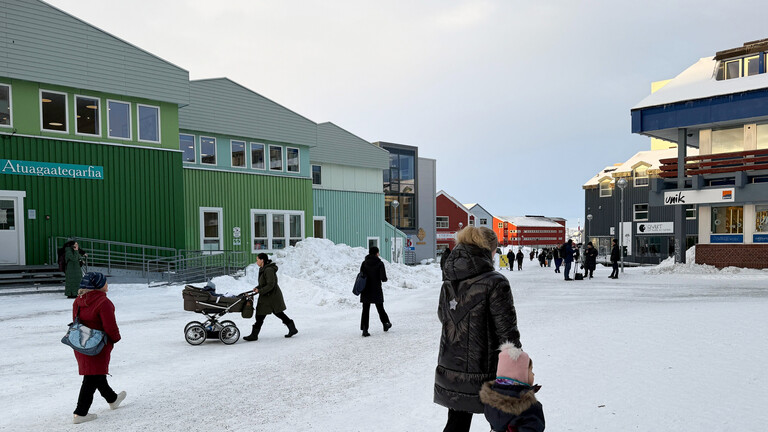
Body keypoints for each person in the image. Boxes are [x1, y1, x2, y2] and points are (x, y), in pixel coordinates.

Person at [435, 226, 522, 432]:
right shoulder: (495, 282)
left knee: (456, 423)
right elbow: (506, 331)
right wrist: (517, 365)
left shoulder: (449, 281)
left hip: (452, 364)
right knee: (501, 422)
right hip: (487, 367)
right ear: (488, 250)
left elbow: (443, 317)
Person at [71, 272, 126, 424]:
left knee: (96, 373)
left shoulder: (78, 301)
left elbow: (76, 322)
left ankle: (113, 399)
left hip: (81, 343)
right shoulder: (104, 302)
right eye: (105, 282)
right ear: (98, 286)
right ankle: (80, 412)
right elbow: (110, 326)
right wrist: (115, 339)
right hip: (98, 345)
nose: (107, 284)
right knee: (91, 377)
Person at [479, 343, 545, 432]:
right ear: (520, 375)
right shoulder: (528, 407)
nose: (533, 374)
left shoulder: (490, 403)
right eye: (530, 370)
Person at [243, 253, 298, 341]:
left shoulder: (268, 270)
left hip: (272, 297)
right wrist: (257, 288)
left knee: (275, 313)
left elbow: (271, 285)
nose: (256, 261)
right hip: (267, 296)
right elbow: (264, 283)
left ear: (262, 260)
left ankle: (254, 335)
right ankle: (292, 328)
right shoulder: (263, 269)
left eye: (257, 259)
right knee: (263, 314)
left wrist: (260, 290)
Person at [358, 246, 391, 337]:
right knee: (380, 307)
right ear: (376, 253)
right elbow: (383, 278)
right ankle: (386, 323)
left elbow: (361, 275)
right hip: (376, 289)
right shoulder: (380, 263)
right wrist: (385, 278)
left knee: (365, 309)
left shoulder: (364, 263)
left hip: (365, 289)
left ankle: (365, 330)